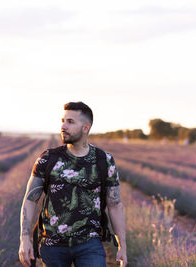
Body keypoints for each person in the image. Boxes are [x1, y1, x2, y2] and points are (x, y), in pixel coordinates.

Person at [18, 101, 127, 267]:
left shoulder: (104, 160)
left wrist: (122, 245)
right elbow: (30, 199)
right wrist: (24, 239)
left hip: (89, 244)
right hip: (52, 245)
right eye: (63, 120)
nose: (63, 126)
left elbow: (115, 205)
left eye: (70, 122)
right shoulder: (48, 159)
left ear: (85, 128)